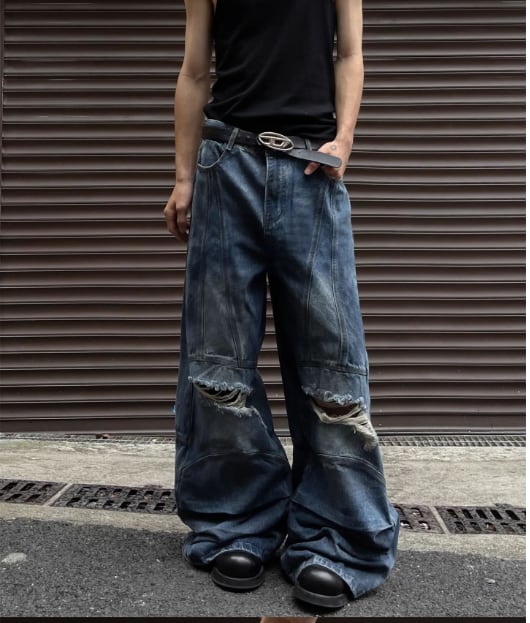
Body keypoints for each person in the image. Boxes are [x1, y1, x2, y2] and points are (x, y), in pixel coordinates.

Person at [164, 0, 399, 610]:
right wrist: (184, 177)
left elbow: (350, 54)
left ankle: (337, 539)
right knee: (218, 362)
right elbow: (195, 70)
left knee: (330, 361)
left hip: (311, 169)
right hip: (226, 162)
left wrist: (345, 139)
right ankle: (235, 523)